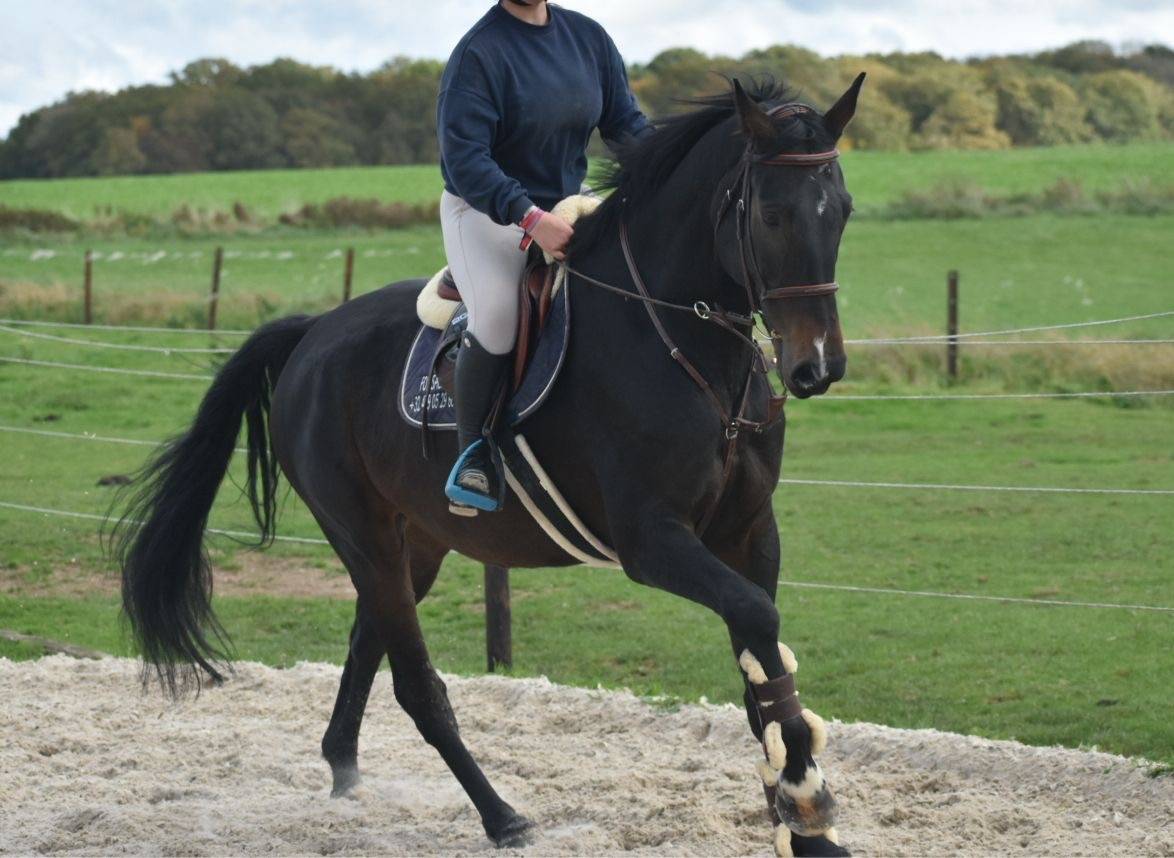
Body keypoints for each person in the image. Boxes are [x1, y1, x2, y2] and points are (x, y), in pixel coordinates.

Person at [437, 0, 652, 513]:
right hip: (487, 212)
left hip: (567, 206)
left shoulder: (588, 38)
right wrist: (531, 218)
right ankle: (475, 455)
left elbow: (625, 124)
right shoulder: (478, 54)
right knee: (498, 315)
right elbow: (465, 158)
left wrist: (672, 169)